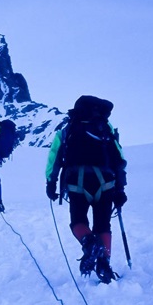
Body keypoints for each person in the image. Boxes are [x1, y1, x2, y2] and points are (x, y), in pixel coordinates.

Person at [45, 95, 127, 283]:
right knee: (103, 225)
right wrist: (120, 189)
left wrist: (51, 182)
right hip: (106, 183)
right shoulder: (106, 128)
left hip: (76, 183)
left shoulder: (66, 131)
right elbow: (119, 159)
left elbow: (54, 158)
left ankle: (89, 242)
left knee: (77, 221)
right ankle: (104, 264)